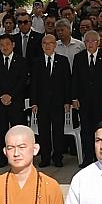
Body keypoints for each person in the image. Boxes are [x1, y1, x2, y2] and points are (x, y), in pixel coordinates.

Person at [71, 30, 102, 167]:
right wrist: (74, 98)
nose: (90, 44)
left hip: (100, 101)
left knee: (100, 130)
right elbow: (75, 79)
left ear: (99, 42)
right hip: (84, 101)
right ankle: (88, 158)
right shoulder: (79, 57)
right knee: (86, 130)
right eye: (87, 41)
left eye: (93, 41)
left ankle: (100, 158)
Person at [29, 34, 72, 170]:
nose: (47, 46)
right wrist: (34, 102)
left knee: (58, 131)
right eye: (45, 43)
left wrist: (67, 101)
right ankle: (45, 157)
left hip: (58, 103)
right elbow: (33, 84)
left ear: (55, 45)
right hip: (42, 103)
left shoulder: (63, 60)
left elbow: (67, 82)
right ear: (41, 45)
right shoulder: (36, 62)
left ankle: (58, 157)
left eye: (50, 43)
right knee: (44, 131)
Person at [0, 35, 28, 168]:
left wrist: (11, 95)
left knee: (17, 131)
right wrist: (2, 95)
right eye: (2, 45)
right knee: (1, 131)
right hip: (0, 102)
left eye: (7, 44)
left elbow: (22, 81)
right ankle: (2, 157)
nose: (5, 47)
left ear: (13, 45)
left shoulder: (21, 61)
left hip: (15, 102)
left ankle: (20, 157)